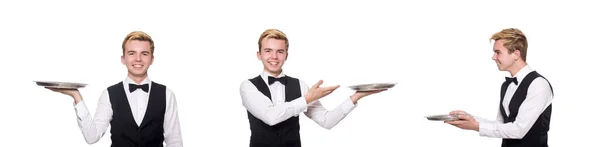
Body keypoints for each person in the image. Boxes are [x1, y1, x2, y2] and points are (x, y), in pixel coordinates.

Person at [239, 29, 387, 147]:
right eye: (268, 51)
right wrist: (308, 98)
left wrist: (356, 96)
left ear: (286, 55)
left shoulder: (300, 85)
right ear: (259, 55)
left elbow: (326, 121)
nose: (274, 57)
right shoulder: (248, 86)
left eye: (280, 51)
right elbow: (271, 117)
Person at [46, 31, 183, 147]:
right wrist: (76, 96)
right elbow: (92, 137)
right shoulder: (109, 94)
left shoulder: (166, 94)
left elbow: (174, 141)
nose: (138, 59)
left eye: (144, 54)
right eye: (132, 53)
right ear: (123, 59)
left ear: (152, 59)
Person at [444, 28, 554, 147]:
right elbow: (500, 124)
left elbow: (518, 130)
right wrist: (470, 119)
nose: (493, 57)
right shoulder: (506, 85)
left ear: (516, 54)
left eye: (498, 52)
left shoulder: (538, 84)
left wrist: (476, 126)